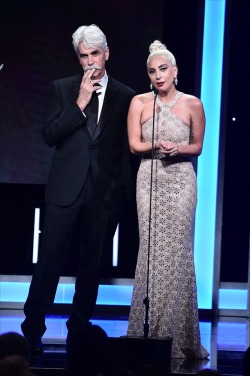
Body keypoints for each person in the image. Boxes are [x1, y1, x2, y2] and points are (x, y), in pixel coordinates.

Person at [21, 24, 136, 355]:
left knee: (92, 266)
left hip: (104, 192)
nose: (90, 63)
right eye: (83, 56)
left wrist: (123, 193)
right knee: (49, 263)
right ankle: (32, 331)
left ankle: (78, 331)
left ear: (107, 53)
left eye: (95, 54)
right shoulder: (62, 88)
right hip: (65, 190)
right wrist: (81, 101)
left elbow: (123, 151)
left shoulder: (125, 95)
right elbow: (50, 134)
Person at [126, 40, 209, 359]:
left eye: (163, 69)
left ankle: (180, 335)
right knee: (150, 250)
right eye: (152, 71)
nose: (158, 75)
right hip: (149, 179)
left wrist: (178, 149)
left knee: (177, 251)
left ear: (175, 71)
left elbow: (198, 146)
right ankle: (148, 331)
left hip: (181, 181)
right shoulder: (139, 102)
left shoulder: (193, 104)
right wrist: (154, 147)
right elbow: (134, 144)